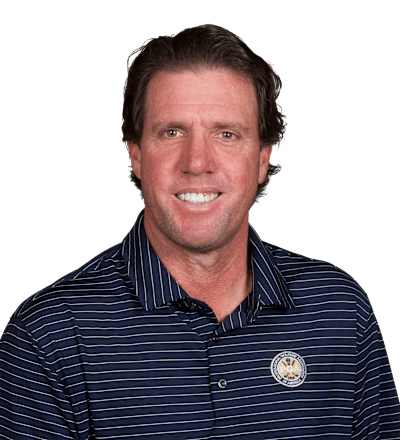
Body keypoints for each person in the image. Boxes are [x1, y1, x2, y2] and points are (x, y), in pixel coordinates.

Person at [1, 24, 399, 439]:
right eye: (172, 133)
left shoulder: (339, 311)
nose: (197, 162)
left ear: (262, 158)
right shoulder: (49, 336)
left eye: (226, 134)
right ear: (136, 155)